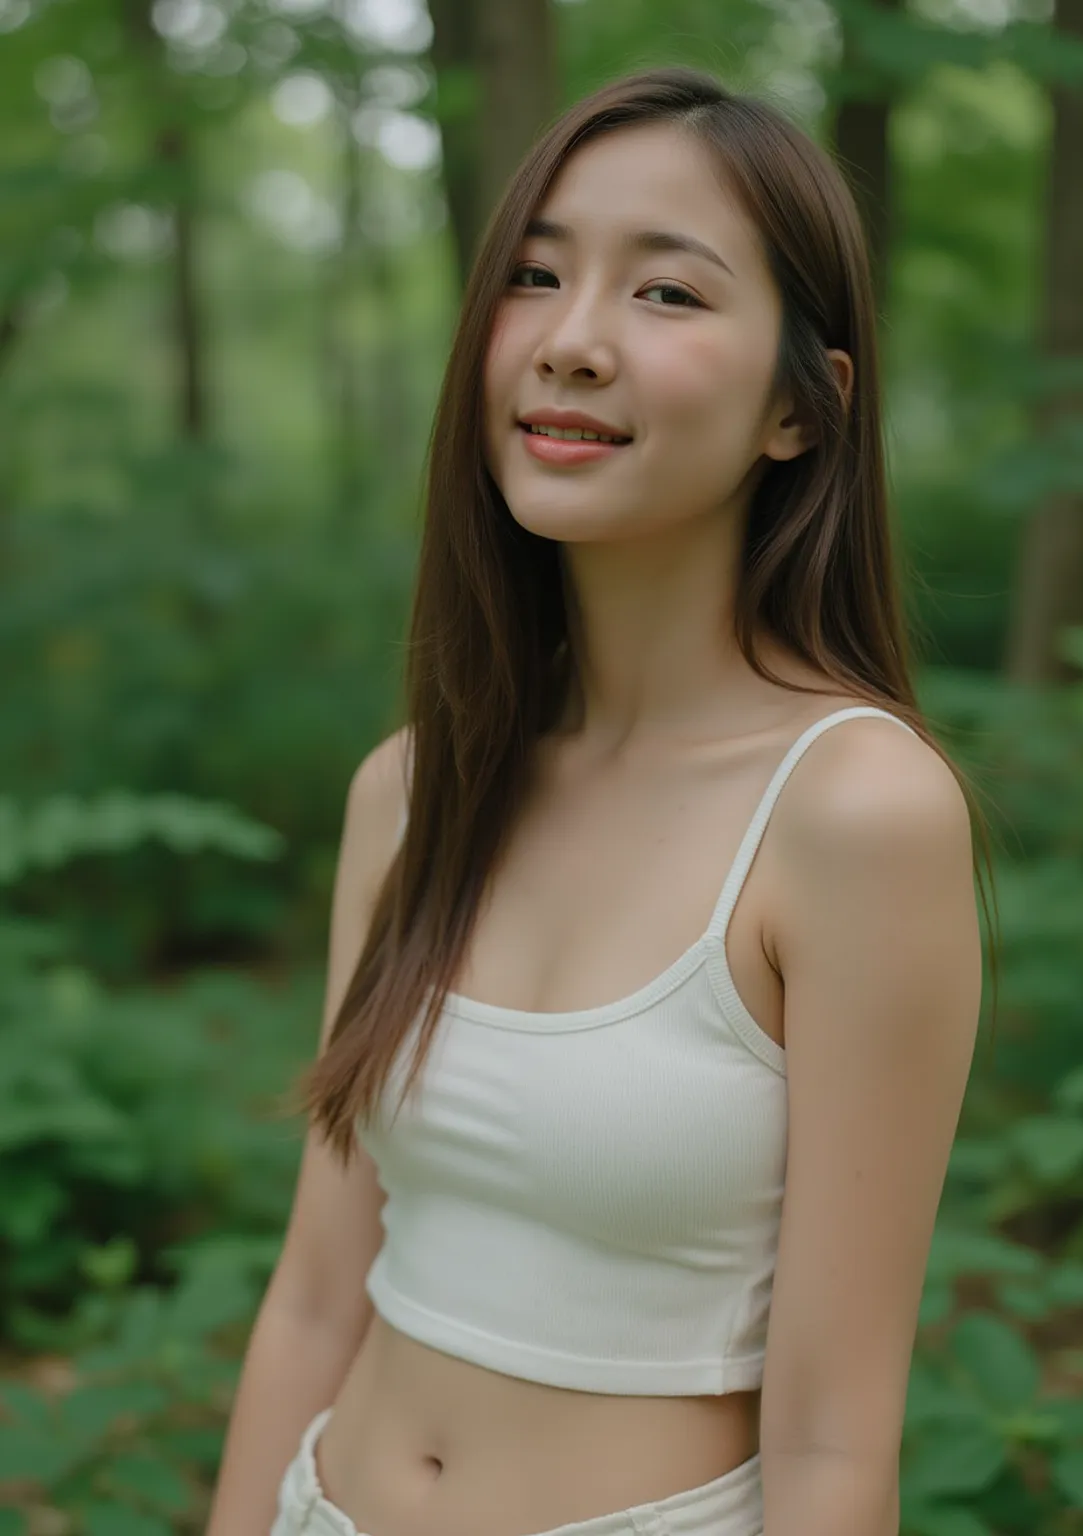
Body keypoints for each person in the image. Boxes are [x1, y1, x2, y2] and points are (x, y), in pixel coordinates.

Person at [205, 65, 990, 1536]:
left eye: (669, 295)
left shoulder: (856, 813)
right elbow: (316, 1300)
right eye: (536, 276)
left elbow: (830, 1441)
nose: (569, 342)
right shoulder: (416, 790)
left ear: (803, 413)